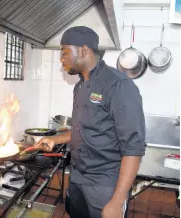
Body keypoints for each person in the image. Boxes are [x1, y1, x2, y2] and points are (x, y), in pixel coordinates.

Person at [34, 26, 146, 218]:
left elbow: (133, 147)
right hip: (77, 178)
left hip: (105, 185)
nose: (61, 59)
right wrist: (56, 139)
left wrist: (118, 201)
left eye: (65, 52)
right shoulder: (79, 87)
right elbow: (83, 129)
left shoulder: (118, 85)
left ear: (84, 51)